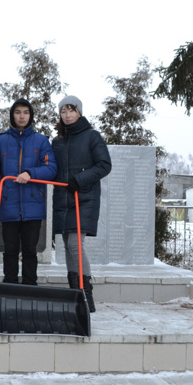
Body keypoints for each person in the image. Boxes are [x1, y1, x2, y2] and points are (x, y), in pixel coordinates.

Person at [51, 95, 112, 312]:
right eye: (63, 111)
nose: (67, 115)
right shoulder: (57, 141)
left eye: (71, 110)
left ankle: (86, 295)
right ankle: (74, 293)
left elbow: (104, 165)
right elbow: (51, 168)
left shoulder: (91, 136)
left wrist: (80, 179)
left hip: (83, 197)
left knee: (76, 244)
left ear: (79, 112)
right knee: (68, 246)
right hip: (63, 197)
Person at [0, 99, 57, 285]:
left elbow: (51, 168)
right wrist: (1, 192)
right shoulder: (1, 140)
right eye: (18, 112)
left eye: (25, 112)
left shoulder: (41, 140)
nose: (21, 116)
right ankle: (10, 285)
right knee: (10, 249)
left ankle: (30, 285)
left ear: (30, 116)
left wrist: (31, 173)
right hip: (8, 204)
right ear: (12, 115)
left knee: (30, 249)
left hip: (33, 204)